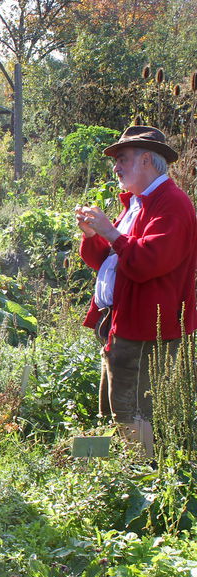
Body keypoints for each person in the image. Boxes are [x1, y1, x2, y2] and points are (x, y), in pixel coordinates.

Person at [76, 126, 197, 456]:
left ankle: (143, 472)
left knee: (133, 409)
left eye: (123, 159)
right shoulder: (138, 204)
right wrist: (93, 234)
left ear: (146, 160)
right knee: (116, 403)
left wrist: (111, 232)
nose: (116, 167)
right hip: (122, 321)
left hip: (145, 328)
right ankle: (120, 468)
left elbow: (147, 262)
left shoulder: (172, 204)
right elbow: (107, 260)